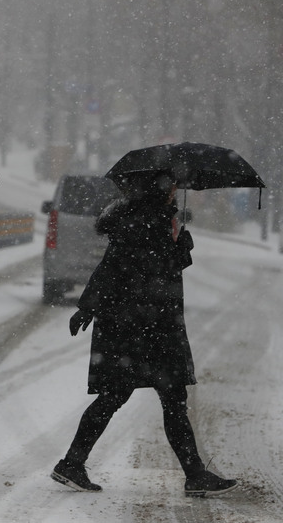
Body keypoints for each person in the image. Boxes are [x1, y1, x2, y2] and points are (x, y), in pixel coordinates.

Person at [51, 172, 238, 497]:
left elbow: (128, 265)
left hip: (135, 325)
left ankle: (72, 463)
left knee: (134, 397)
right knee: (162, 398)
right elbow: (137, 268)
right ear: (159, 190)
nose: (176, 191)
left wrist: (89, 306)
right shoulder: (147, 222)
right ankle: (193, 475)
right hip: (145, 326)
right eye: (172, 186)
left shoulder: (143, 219)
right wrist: (179, 249)